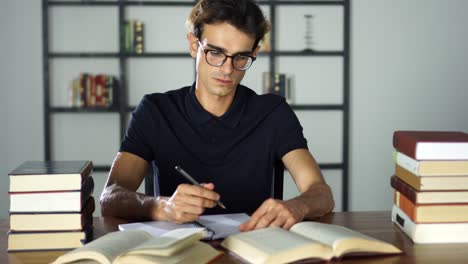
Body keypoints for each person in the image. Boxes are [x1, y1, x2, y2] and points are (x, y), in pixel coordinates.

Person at [100, 0, 334, 231]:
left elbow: (321, 194)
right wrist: (160, 206)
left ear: (254, 53)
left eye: (241, 57)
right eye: (215, 52)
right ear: (194, 45)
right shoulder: (154, 110)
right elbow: (110, 196)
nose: (227, 69)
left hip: (253, 249)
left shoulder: (273, 113)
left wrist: (297, 206)